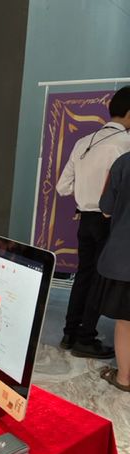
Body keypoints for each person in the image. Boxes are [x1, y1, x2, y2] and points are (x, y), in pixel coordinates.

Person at [56, 86, 130, 358]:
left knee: (83, 275)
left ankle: (69, 333)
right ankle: (86, 338)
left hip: (85, 218)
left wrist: (84, 195)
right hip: (108, 220)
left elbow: (62, 187)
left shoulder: (84, 141)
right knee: (99, 280)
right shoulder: (125, 144)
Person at [96, 154, 130, 392]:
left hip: (125, 256)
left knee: (126, 322)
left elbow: (106, 209)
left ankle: (124, 378)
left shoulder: (124, 162)